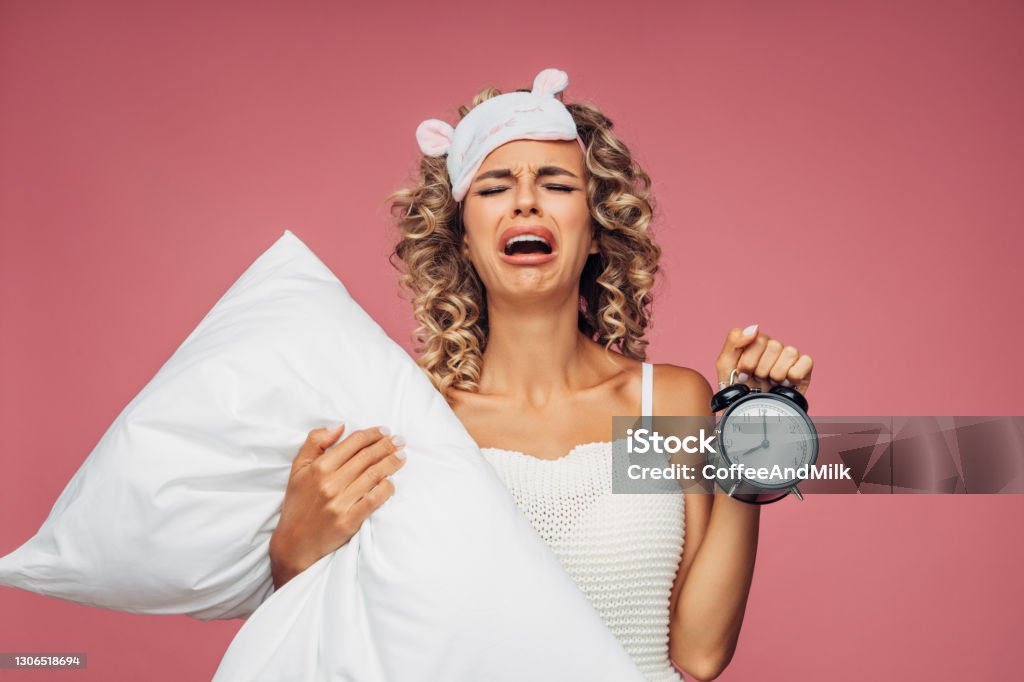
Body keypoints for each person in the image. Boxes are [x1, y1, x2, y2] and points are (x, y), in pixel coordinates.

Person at [268, 68, 813, 682]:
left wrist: (751, 439)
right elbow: (332, 630)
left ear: (596, 231)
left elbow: (698, 652)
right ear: (463, 240)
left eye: (555, 183)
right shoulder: (411, 417)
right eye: (495, 187)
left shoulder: (665, 404)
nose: (526, 199)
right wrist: (290, 553)